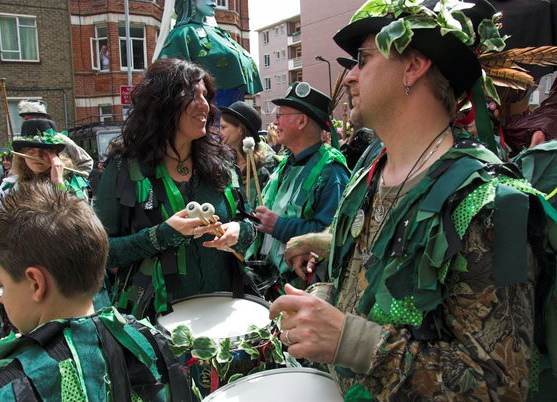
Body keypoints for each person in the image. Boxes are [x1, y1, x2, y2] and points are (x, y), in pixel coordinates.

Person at [271, 0, 556, 399]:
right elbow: (368, 278)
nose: (350, 77)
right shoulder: (371, 171)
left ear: (413, 67)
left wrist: (352, 342)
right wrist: (328, 300)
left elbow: (502, 385)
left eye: (363, 60)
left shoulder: (486, 202)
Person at [0, 182, 194, 401]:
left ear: (36, 284)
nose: (2, 299)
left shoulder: (1, 390)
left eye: (3, 285)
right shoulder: (150, 340)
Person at [94, 58, 257, 320]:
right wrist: (161, 235)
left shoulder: (223, 160)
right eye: (193, 95)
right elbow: (102, 252)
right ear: (163, 103)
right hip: (153, 322)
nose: (204, 105)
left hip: (222, 311)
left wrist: (241, 231)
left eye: (206, 96)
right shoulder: (124, 167)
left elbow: (249, 224)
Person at [246, 82, 350, 292]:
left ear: (302, 121)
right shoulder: (284, 164)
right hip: (267, 282)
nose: (275, 122)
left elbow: (333, 235)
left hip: (298, 290)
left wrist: (279, 226)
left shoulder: (331, 172)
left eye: (281, 115)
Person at [157, 0, 263, 107]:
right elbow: (169, 84)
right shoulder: (182, 34)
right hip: (206, 114)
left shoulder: (218, 34)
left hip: (233, 115)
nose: (213, 0)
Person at [0, 126, 89, 212]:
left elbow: (78, 219)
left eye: (45, 150)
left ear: (56, 155)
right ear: (22, 155)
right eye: (30, 150)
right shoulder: (10, 185)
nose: (38, 156)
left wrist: (58, 182)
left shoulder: (72, 183)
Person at [219, 101, 276, 208]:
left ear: (240, 129)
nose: (219, 132)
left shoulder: (268, 164)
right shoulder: (224, 162)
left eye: (223, 127)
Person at [18, 101, 94, 176]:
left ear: (44, 118)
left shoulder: (60, 139)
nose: (29, 122)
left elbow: (86, 162)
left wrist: (73, 181)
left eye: (32, 119)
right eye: (26, 120)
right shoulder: (23, 142)